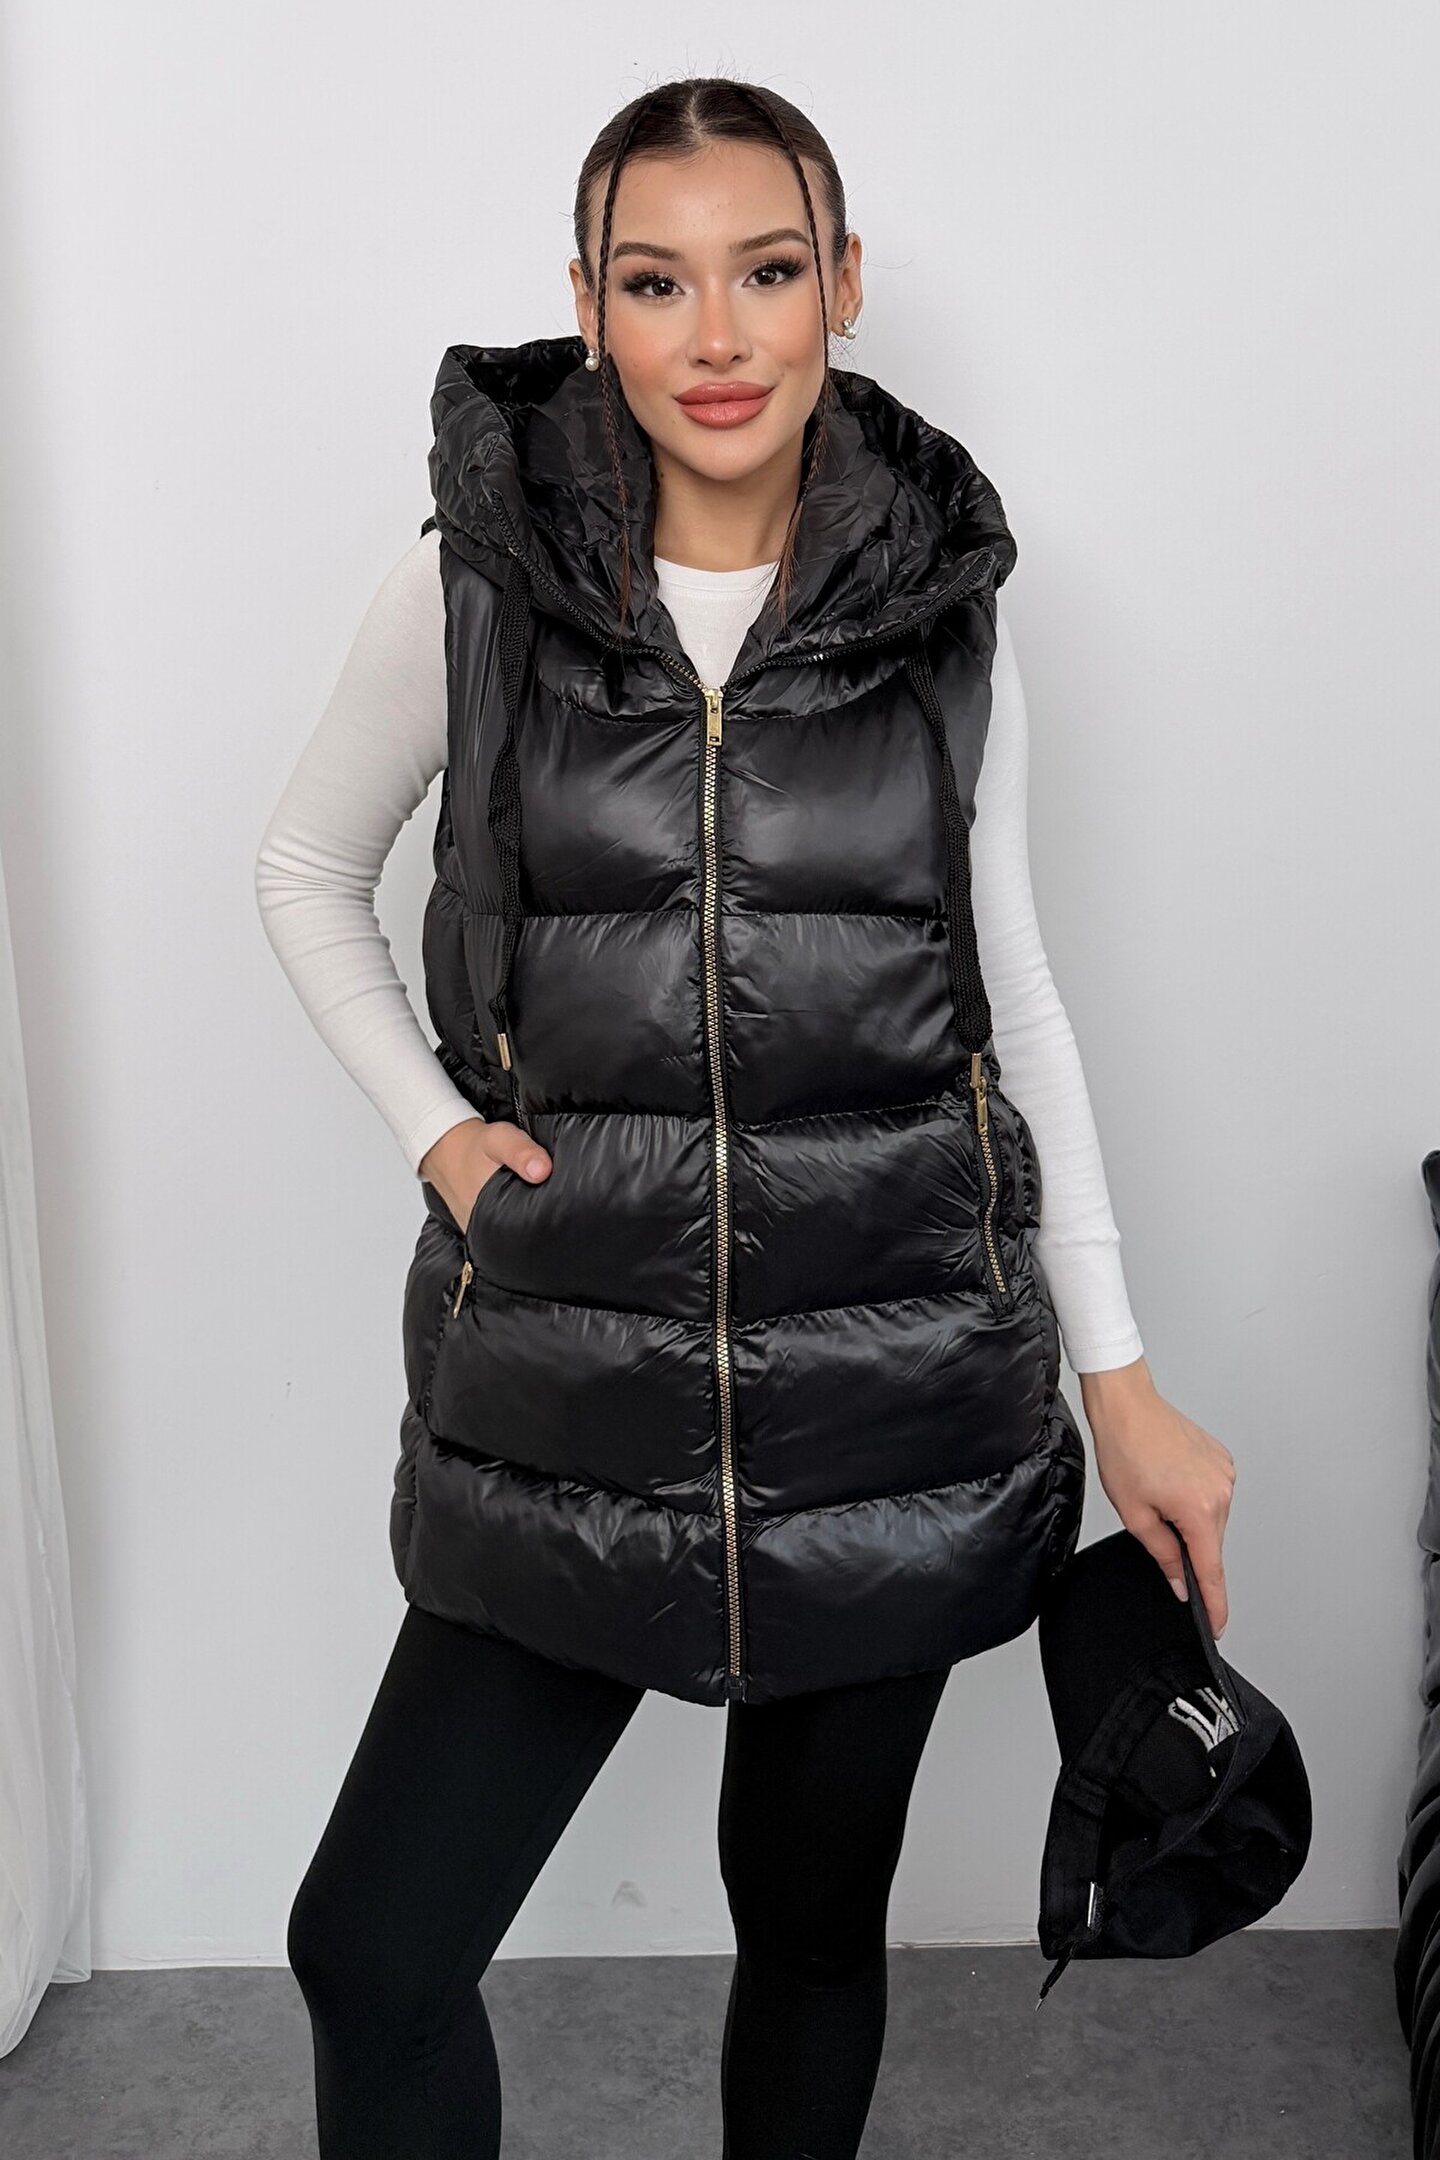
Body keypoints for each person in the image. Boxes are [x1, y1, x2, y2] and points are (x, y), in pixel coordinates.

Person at [255, 74, 1235, 2160]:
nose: (717, 336)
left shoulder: (946, 627)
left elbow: (1009, 1003)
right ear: (587, 305)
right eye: (656, 281)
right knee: (375, 1950)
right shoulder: (470, 593)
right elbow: (302, 870)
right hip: (569, 1394)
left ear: (842, 284)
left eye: (768, 271)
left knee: (805, 1933)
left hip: (890, 1401)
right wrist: (438, 1131)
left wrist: (1126, 1382)